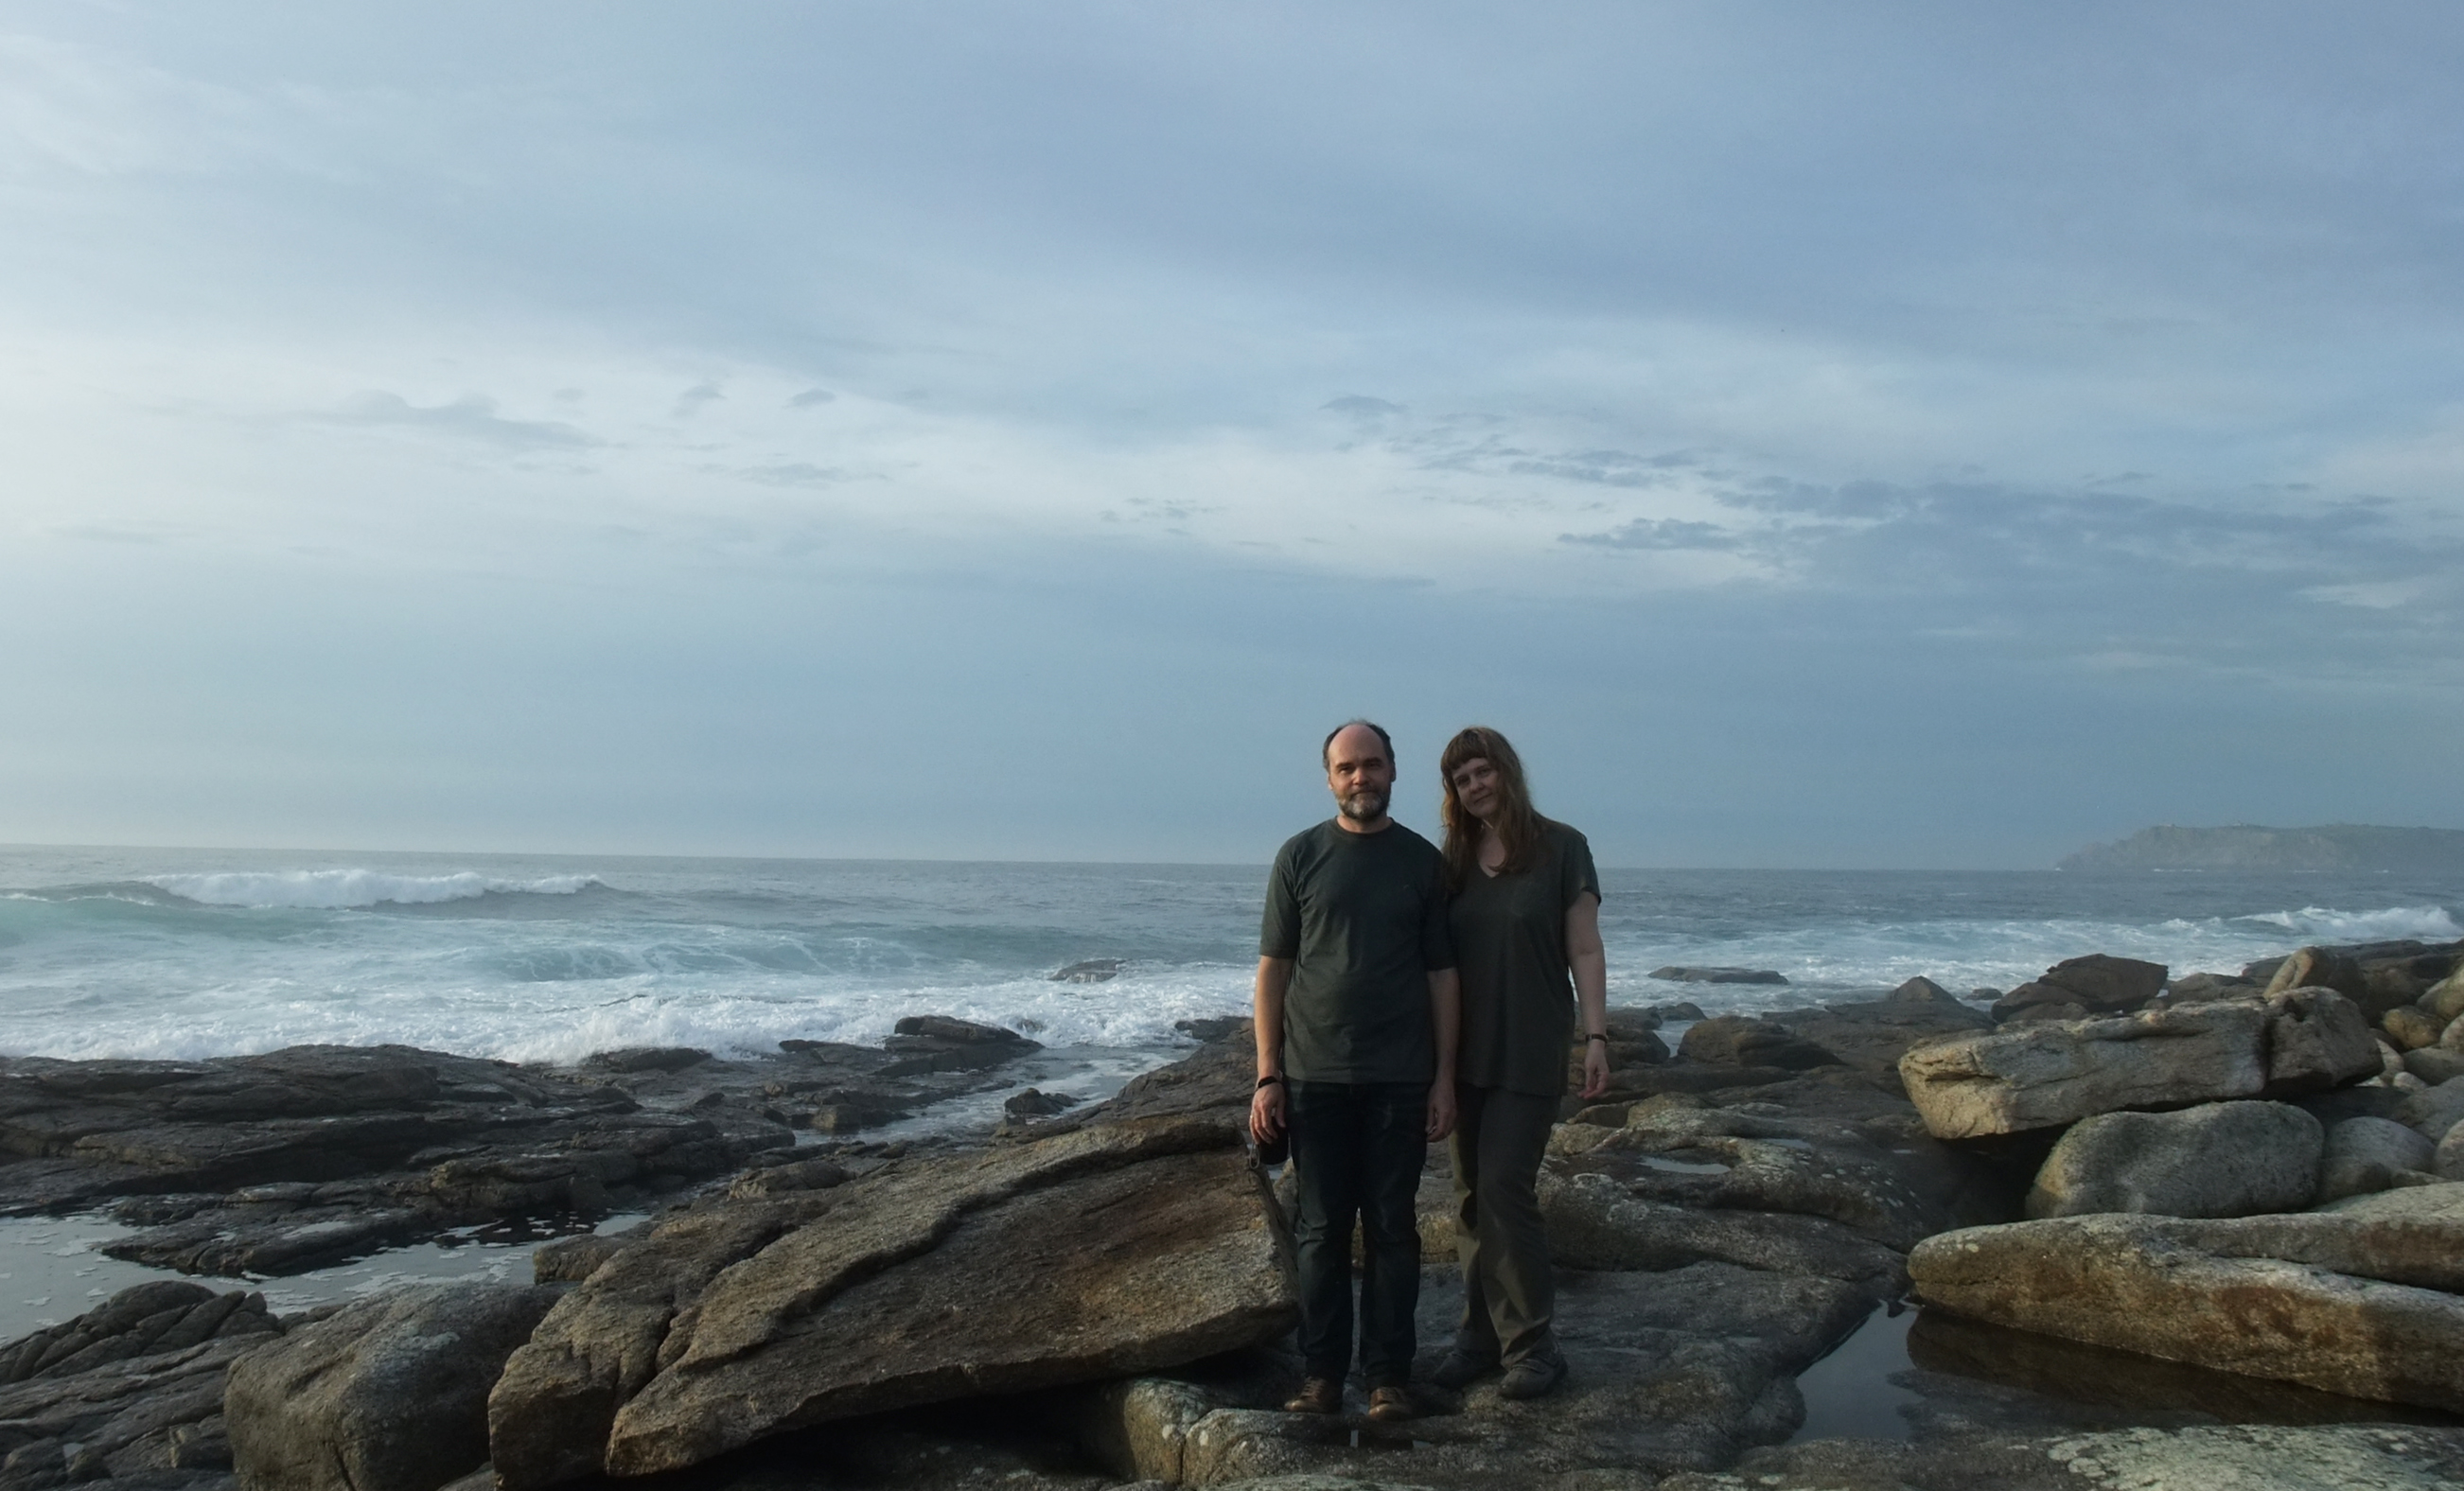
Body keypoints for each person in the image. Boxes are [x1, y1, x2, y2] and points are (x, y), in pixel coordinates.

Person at [1251, 719, 1461, 1423]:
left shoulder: (1423, 863)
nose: (1360, 777)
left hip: (1401, 1078)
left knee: (1394, 1229)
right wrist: (1267, 1075)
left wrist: (1444, 1077)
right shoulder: (1300, 856)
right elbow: (1274, 970)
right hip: (1314, 1077)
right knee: (1320, 1230)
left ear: (1393, 771)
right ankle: (1321, 1377)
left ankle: (1387, 1379)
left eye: (1371, 764)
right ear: (1329, 779)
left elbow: (1442, 976)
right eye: (1346, 767)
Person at [1428, 725, 1608, 1400]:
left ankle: (1535, 1346)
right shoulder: (1454, 859)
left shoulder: (1563, 847)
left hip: (1531, 1045)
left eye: (1483, 772)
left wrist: (1596, 1037)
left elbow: (1584, 948)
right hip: (1462, 1053)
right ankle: (1479, 1338)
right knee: (1472, 1196)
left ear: (1506, 770)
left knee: (1506, 1187)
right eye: (1461, 780)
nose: (1475, 786)